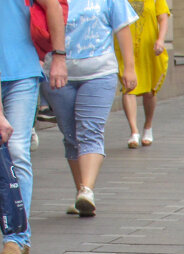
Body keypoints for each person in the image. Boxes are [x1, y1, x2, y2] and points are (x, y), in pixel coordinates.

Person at [40, 0, 139, 219]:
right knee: (70, 134)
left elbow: (122, 27)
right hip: (56, 74)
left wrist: (129, 68)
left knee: (90, 130)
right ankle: (82, 193)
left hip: (99, 73)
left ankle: (87, 190)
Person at [1, 0, 67, 254]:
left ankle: (16, 238)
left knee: (17, 150)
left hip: (22, 73)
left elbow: (52, 6)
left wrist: (59, 57)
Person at [118, 0, 170, 148]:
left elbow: (163, 17)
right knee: (128, 88)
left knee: (149, 92)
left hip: (149, 48)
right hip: (125, 49)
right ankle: (134, 132)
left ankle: (148, 126)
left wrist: (160, 39)